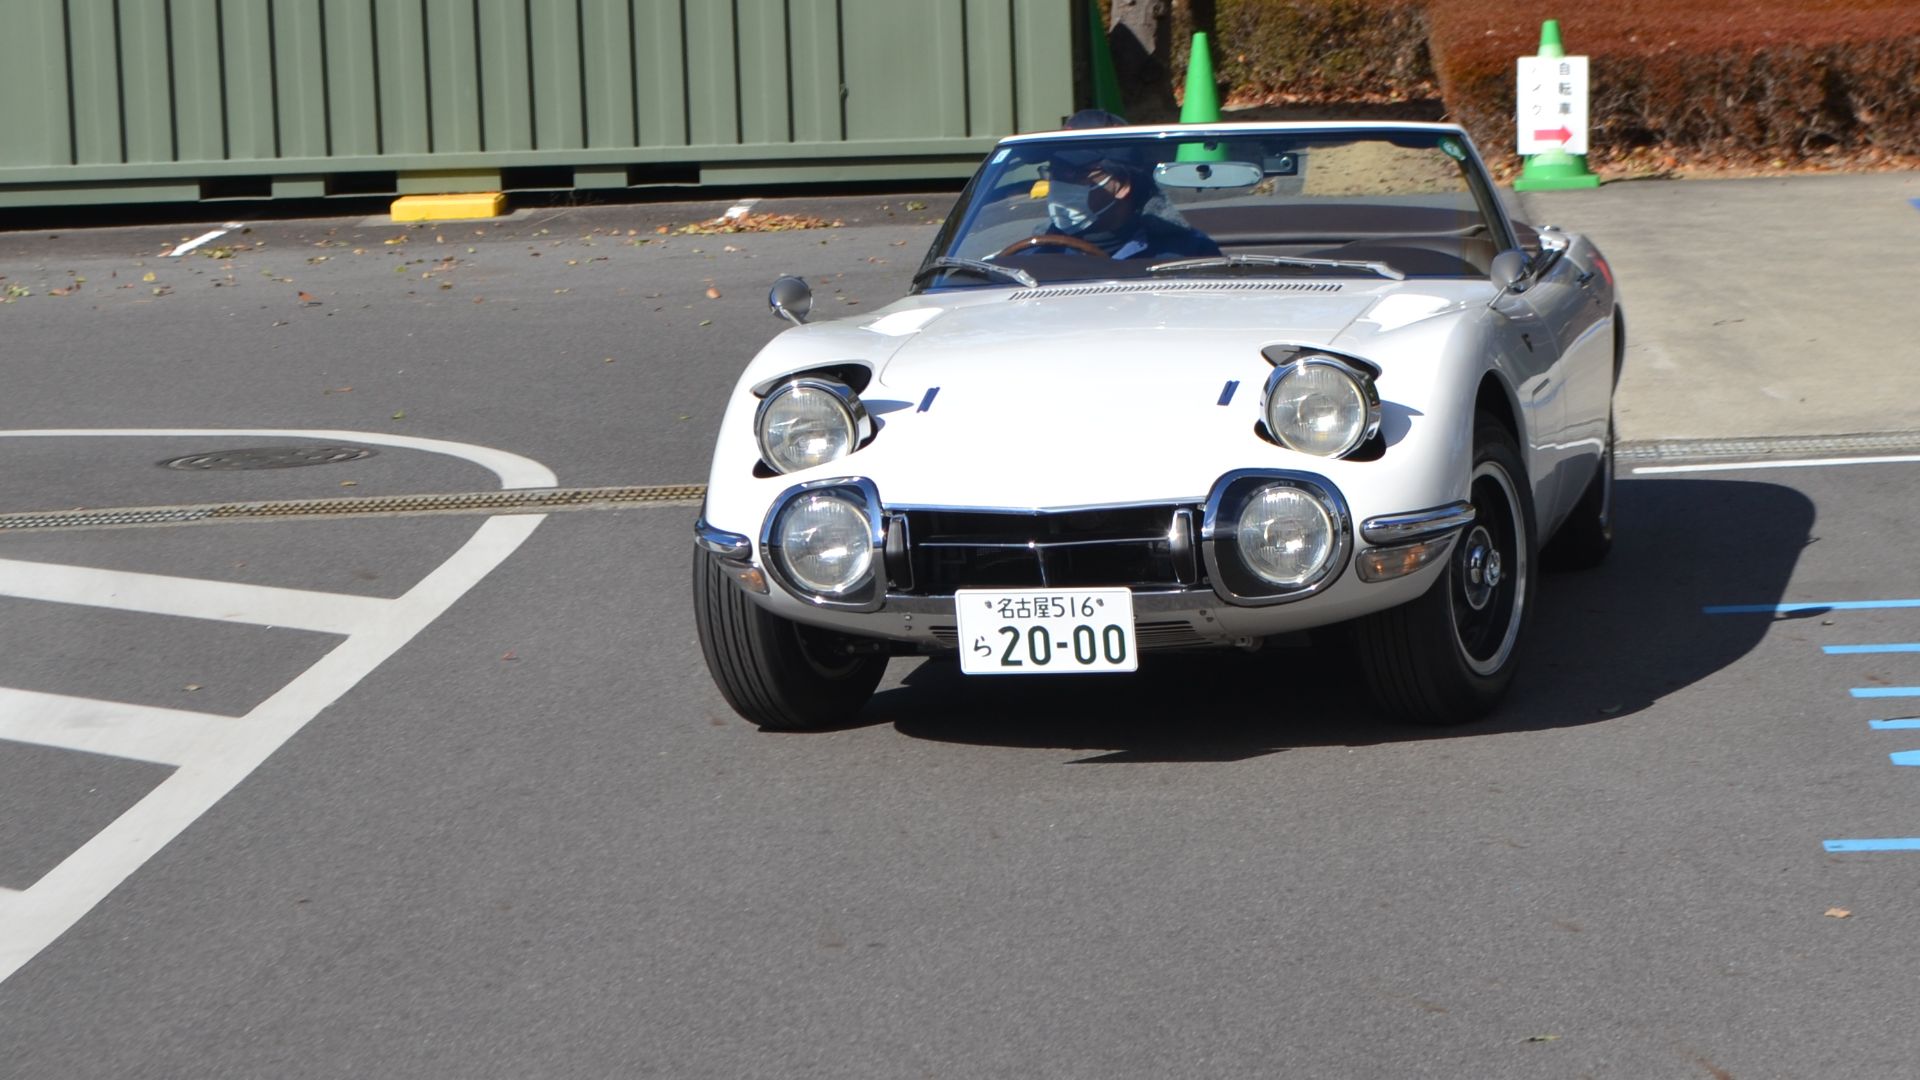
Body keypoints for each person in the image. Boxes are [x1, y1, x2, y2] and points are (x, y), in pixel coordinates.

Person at [1034, 110, 1220, 261]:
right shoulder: (1031, 257)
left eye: (1076, 174)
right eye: (1055, 172)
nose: (1059, 184)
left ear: (1122, 184)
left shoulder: (1189, 255)